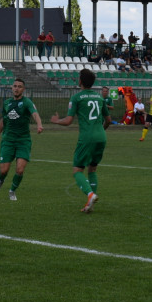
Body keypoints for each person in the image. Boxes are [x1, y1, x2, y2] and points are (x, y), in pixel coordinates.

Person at [51, 69, 110, 213]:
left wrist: (56, 121)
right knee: (92, 168)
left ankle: (90, 194)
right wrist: (100, 131)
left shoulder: (77, 98)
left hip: (87, 138)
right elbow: (108, 120)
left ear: (80, 81)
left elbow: (69, 121)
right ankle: (91, 204)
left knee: (77, 170)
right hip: (101, 137)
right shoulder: (99, 98)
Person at [0, 78, 43, 201]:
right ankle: (1, 180)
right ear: (12, 88)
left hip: (23, 140)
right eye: (15, 86)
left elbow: (35, 114)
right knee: (4, 170)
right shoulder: (7, 103)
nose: (16, 88)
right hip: (8, 140)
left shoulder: (27, 102)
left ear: (23, 89)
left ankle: (12, 191)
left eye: (19, 86)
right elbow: (3, 121)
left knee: (19, 170)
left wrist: (39, 124)